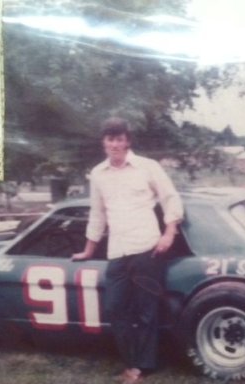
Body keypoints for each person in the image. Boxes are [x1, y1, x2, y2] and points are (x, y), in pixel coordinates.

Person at [72, 117, 183, 384]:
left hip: (148, 248)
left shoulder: (148, 167)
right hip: (117, 251)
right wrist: (88, 250)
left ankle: (140, 367)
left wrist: (169, 232)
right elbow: (97, 214)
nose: (115, 145)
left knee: (146, 311)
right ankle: (132, 360)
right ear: (104, 142)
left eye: (120, 139)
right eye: (110, 139)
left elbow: (171, 198)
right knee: (114, 308)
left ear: (127, 141)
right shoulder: (98, 174)